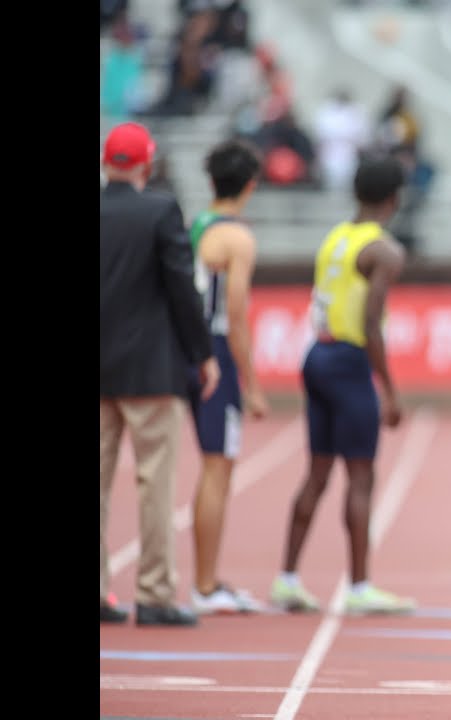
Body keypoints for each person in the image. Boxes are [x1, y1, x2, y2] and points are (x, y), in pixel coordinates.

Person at [270, 153, 417, 616]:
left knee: (316, 473)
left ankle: (287, 578)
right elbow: (372, 323)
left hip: (317, 354)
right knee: (360, 476)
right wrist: (389, 390)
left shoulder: (335, 237)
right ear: (394, 199)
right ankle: (359, 587)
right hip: (350, 361)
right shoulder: (385, 250)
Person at [101, 121, 219, 627]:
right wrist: (203, 353)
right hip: (151, 370)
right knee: (155, 484)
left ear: (108, 163)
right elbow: (181, 289)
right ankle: (153, 593)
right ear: (147, 164)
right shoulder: (161, 210)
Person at [186, 138, 272, 615]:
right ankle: (204, 584)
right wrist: (253, 384)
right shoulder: (238, 238)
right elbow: (235, 316)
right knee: (218, 466)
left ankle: (205, 581)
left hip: (183, 348)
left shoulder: (197, 224)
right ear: (251, 186)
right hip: (215, 351)